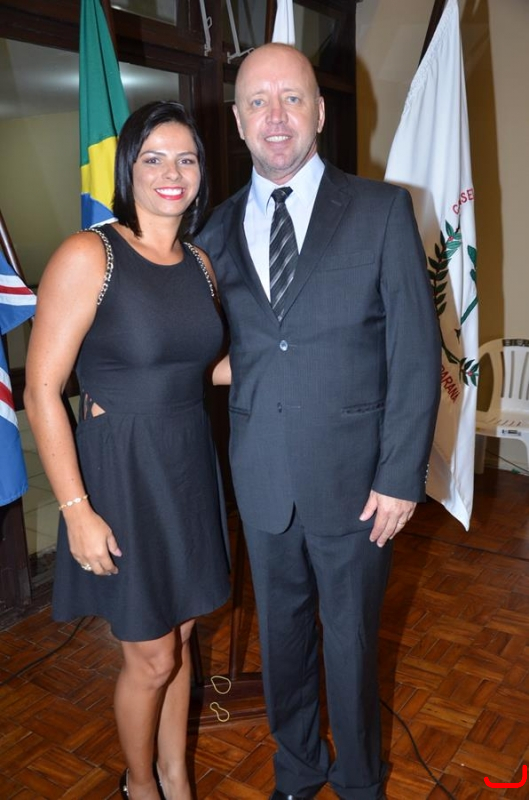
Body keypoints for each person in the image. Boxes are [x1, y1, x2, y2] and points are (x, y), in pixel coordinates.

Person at [196, 44, 441, 800]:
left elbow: (414, 351)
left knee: (352, 644)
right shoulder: (213, 232)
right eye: (258, 102)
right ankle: (298, 771)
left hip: (359, 485)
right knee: (283, 641)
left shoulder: (380, 210)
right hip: (263, 479)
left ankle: (361, 780)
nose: (276, 117)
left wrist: (400, 476)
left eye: (292, 98)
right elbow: (196, 344)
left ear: (320, 112)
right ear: (238, 121)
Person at [24, 101, 231, 800]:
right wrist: (77, 511)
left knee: (181, 639)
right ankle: (139, 785)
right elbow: (42, 391)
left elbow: (202, 365)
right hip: (123, 472)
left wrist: (302, 358)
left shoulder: (199, 262)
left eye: (186, 158)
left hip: (187, 463)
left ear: (201, 173)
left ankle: (177, 778)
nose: (172, 173)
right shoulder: (91, 254)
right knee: (150, 657)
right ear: (128, 170)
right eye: (154, 158)